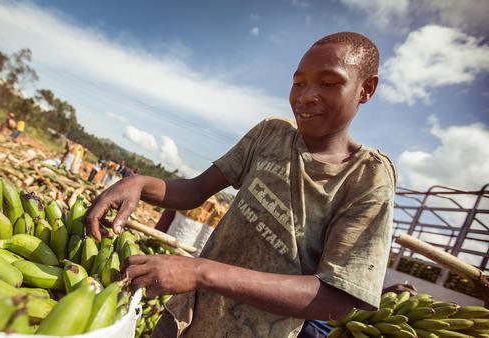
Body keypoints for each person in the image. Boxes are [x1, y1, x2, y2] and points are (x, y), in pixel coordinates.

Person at [84, 32, 396, 337]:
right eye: (298, 83)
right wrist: (139, 183)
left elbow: (335, 299)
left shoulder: (367, 178)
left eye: (328, 83)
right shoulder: (270, 135)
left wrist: (199, 272)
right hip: (183, 319)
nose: (305, 96)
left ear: (366, 89)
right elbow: (194, 191)